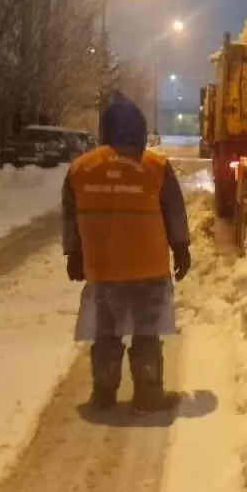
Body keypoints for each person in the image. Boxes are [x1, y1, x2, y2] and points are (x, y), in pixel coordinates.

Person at [63, 95, 191, 414]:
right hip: (148, 268)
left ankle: (104, 395)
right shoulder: (155, 167)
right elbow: (174, 210)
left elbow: (71, 214)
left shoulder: (81, 169)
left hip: (103, 269)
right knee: (146, 333)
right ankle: (148, 396)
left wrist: (74, 254)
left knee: (106, 333)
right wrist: (181, 247)